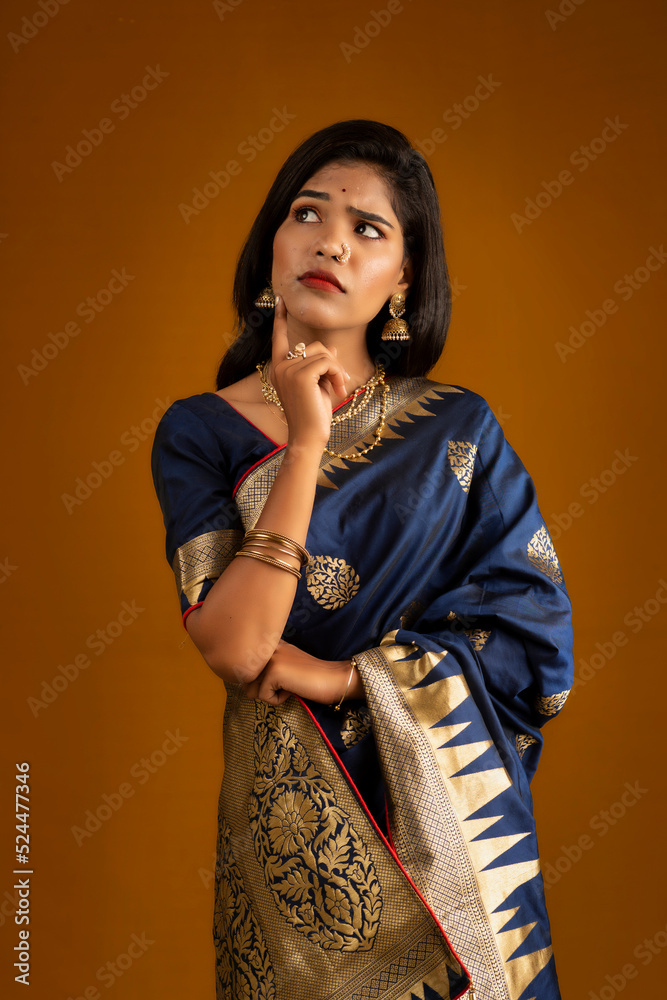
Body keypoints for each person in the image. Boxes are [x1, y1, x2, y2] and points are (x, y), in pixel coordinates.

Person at [151, 120, 573, 1000]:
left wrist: (348, 679)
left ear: (403, 280)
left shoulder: (460, 431)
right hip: (291, 847)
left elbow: (534, 646)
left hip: (444, 844)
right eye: (307, 213)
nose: (330, 240)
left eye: (368, 228)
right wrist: (306, 444)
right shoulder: (200, 430)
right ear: (272, 245)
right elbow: (233, 646)